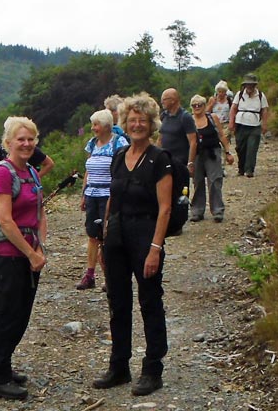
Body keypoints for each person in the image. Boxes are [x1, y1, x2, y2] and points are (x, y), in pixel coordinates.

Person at [93, 92, 171, 396]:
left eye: (143, 120)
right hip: (117, 237)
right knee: (118, 302)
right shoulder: (118, 156)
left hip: (145, 234)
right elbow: (112, 198)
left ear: (151, 124)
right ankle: (119, 366)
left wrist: (156, 248)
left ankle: (153, 369)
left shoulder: (159, 159)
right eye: (132, 120)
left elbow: (164, 208)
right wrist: (104, 241)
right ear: (124, 123)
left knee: (150, 301)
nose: (137, 124)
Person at [0, 116, 47, 400]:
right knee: (6, 313)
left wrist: (41, 247)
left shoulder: (32, 172)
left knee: (22, 313)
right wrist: (31, 253)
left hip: (31, 254)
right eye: (20, 139)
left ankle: (5, 364)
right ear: (8, 142)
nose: (26, 144)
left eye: (30, 139)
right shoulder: (2, 173)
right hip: (10, 255)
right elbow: (6, 221)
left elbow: (39, 210)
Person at [77, 109, 128, 291]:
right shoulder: (92, 144)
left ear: (106, 126)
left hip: (109, 195)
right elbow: (88, 171)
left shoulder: (119, 143)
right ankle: (90, 275)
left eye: (96, 125)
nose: (93, 128)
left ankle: (110, 276)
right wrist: (84, 194)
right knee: (92, 235)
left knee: (108, 236)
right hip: (93, 194)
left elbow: (123, 170)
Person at [189, 95, 234, 223]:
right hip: (196, 155)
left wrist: (228, 152)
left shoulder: (212, 118)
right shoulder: (189, 121)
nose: (197, 107)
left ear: (204, 106)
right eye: (194, 105)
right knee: (197, 182)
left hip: (212, 153)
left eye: (200, 105)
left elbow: (221, 135)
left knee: (215, 181)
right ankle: (197, 211)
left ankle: (217, 210)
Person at [229, 73, 269, 178]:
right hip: (241, 123)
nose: (249, 87)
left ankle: (249, 170)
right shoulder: (240, 94)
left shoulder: (261, 95)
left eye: (251, 85)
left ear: (255, 85)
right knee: (240, 148)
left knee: (252, 148)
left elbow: (264, 110)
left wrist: (264, 124)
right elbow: (233, 108)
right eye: (247, 84)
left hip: (255, 125)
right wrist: (231, 122)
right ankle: (241, 168)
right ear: (245, 85)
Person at [159, 88, 197, 173]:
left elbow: (193, 142)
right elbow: (160, 138)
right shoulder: (164, 116)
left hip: (180, 163)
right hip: (165, 161)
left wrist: (190, 163)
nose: (162, 102)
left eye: (164, 99)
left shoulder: (185, 117)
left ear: (173, 100)